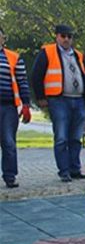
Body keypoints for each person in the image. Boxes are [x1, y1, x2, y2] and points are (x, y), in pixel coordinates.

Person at [31, 23, 85, 182]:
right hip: (58, 99)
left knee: (76, 138)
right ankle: (64, 171)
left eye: (69, 37)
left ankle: (75, 169)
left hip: (77, 100)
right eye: (63, 36)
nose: (66, 39)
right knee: (62, 137)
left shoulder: (78, 55)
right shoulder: (47, 52)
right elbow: (36, 75)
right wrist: (41, 97)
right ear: (57, 36)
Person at [0, 26, 31, 188]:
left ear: (3, 39)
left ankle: (10, 176)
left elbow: (22, 81)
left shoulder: (13, 58)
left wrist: (26, 104)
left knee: (8, 142)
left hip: (8, 107)